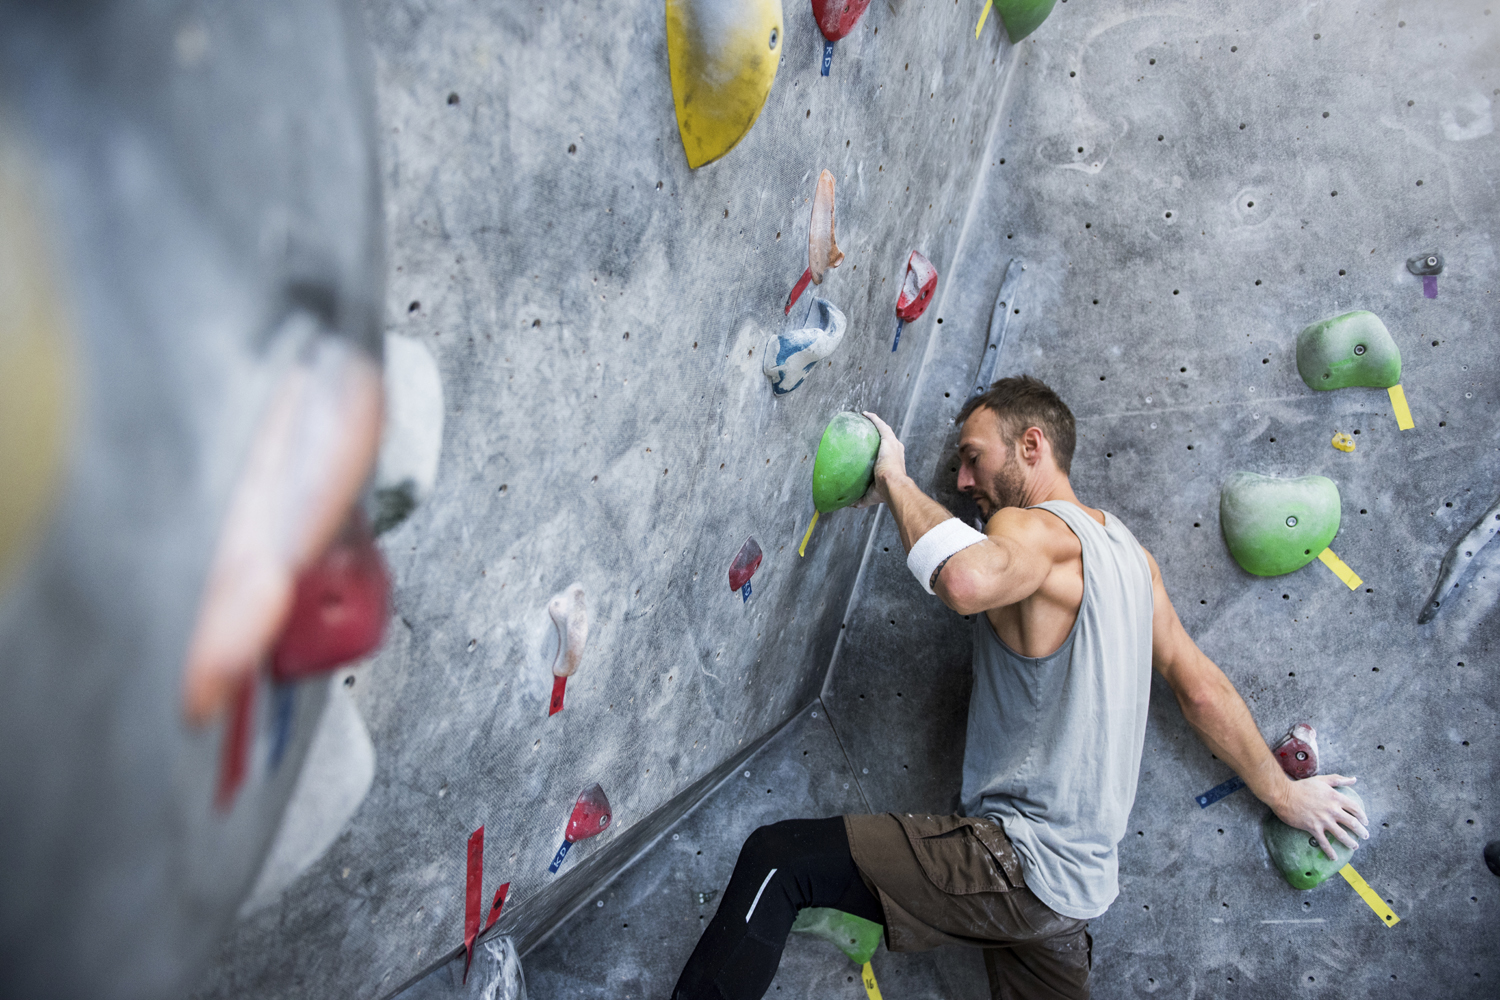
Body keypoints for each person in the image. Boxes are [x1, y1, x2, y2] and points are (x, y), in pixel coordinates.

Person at [671, 376, 1370, 1000]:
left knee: (781, 861)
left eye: (974, 456)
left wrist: (892, 480)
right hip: (1076, 892)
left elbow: (967, 580)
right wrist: (1285, 796)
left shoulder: (1035, 527)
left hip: (1017, 860)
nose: (966, 480)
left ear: (1032, 443)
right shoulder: (1131, 557)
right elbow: (1202, 691)